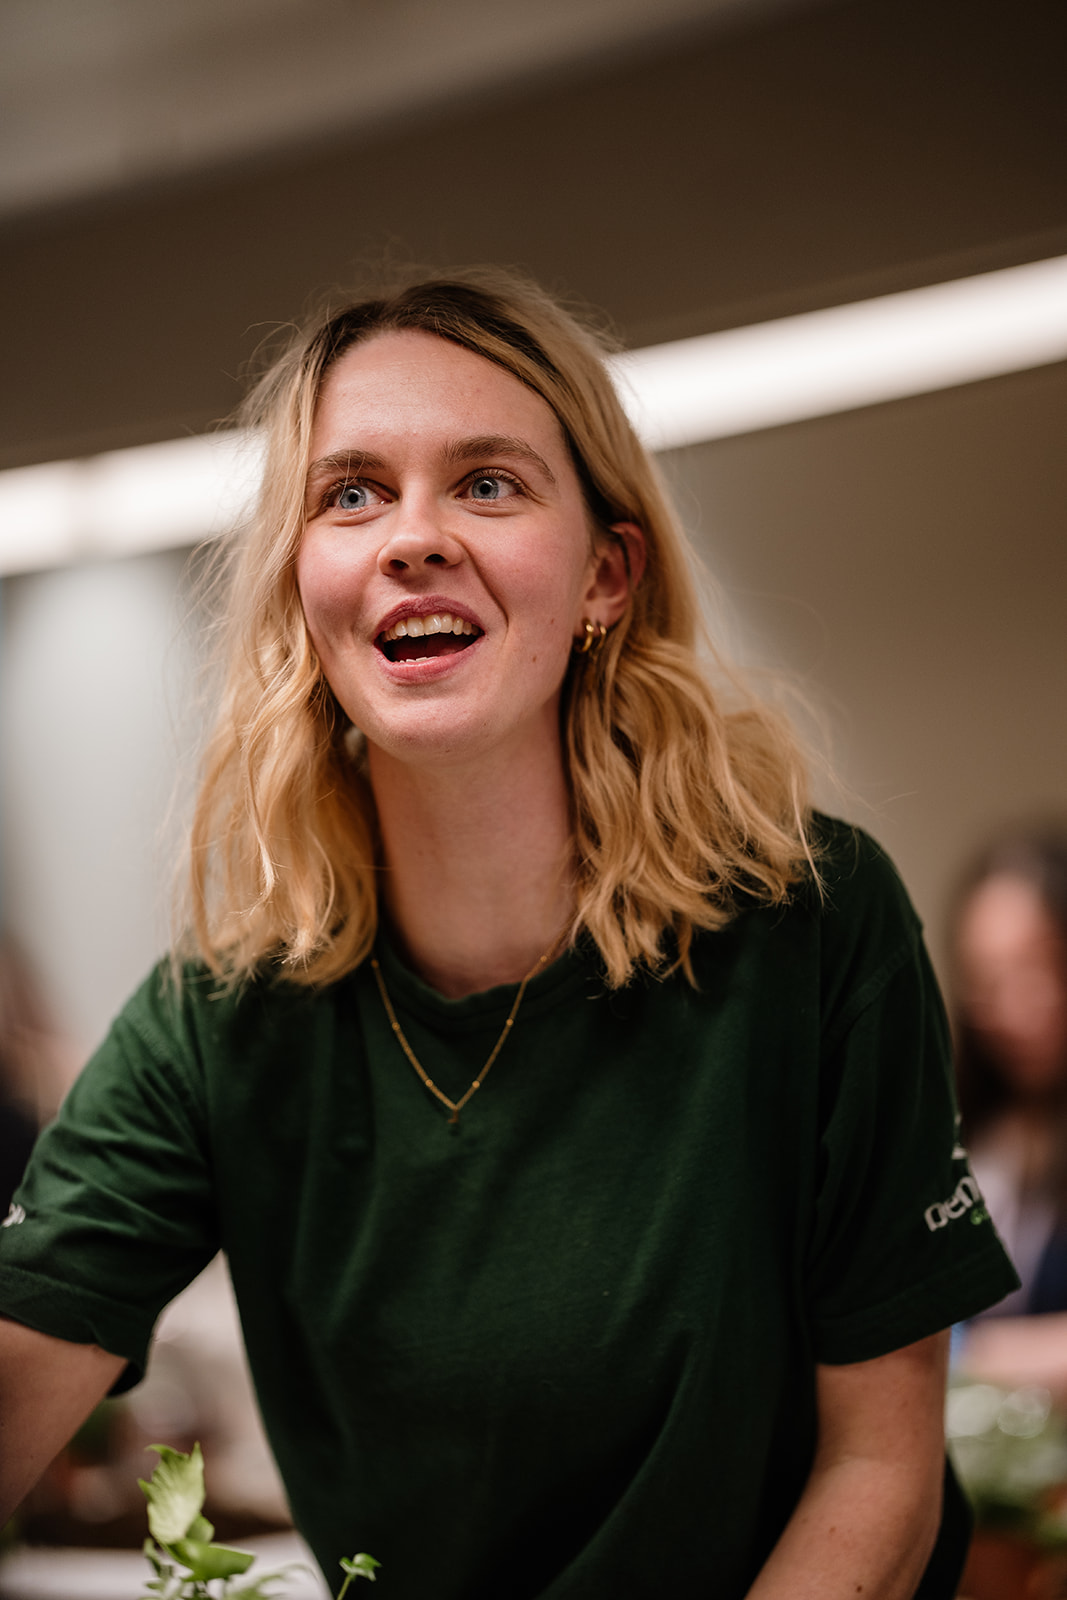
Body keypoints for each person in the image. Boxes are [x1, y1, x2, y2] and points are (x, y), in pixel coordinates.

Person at [0, 270, 1017, 1599]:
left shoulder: (807, 925)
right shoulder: (219, 1021)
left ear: (605, 574)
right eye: (350, 493)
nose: (410, 537)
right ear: (303, 589)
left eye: (485, 484)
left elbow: (877, 1472)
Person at [949, 825, 1067, 1398]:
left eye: (1033, 971)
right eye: (986, 982)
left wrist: (969, 1357)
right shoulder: (972, 1130)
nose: (1010, 1009)